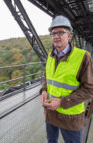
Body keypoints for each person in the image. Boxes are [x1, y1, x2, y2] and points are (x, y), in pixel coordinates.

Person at [40, 15, 93, 143]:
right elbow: (47, 78)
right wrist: (43, 90)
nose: (56, 36)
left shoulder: (83, 57)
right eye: (53, 33)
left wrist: (61, 102)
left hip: (70, 116)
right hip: (50, 113)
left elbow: (89, 89)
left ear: (69, 36)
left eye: (60, 32)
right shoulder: (50, 56)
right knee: (51, 141)